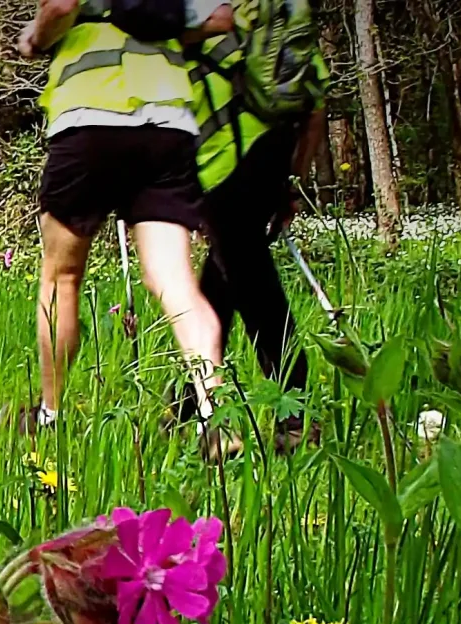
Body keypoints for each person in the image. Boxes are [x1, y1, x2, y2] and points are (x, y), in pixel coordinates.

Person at [18, 0, 225, 437]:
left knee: (62, 277)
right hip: (168, 125)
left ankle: (50, 415)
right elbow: (221, 18)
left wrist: (35, 38)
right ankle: (216, 419)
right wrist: (157, 26)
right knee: (176, 282)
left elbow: (61, 6)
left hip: (90, 119)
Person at [185, 0, 328, 450]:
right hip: (273, 155)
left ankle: (294, 410)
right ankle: (185, 403)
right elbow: (316, 111)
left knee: (251, 283)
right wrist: (289, 182)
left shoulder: (208, 17)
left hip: (221, 161)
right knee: (224, 277)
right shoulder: (282, 20)